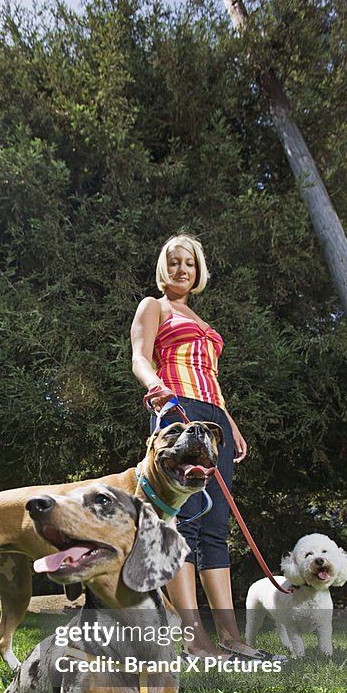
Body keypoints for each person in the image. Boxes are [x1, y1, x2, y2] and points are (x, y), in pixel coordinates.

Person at [130, 233, 259, 660]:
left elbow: (214, 383)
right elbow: (140, 356)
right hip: (177, 408)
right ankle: (192, 638)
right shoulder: (155, 306)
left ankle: (230, 636)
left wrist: (231, 425)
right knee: (184, 520)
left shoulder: (201, 320)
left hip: (214, 418)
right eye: (173, 262)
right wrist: (155, 387)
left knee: (216, 525)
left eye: (189, 263)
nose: (181, 269)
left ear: (198, 271)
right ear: (163, 269)